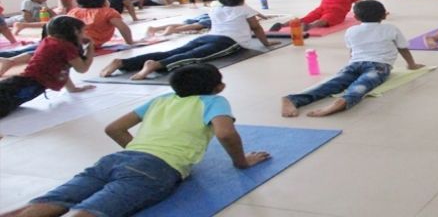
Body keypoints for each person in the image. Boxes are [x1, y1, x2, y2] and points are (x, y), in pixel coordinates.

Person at [4, 63, 270, 217]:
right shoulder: (214, 101)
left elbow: (114, 128)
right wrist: (242, 162)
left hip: (116, 159)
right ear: (218, 87)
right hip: (156, 169)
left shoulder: (162, 99)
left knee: (55, 200)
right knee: (90, 212)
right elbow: (225, 132)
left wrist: (136, 152)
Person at [281, 0, 423, 117]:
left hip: (354, 63)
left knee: (333, 83)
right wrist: (411, 64)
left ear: (355, 17)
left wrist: (351, 65)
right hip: (379, 66)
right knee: (363, 84)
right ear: (384, 15)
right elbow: (402, 48)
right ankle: (344, 100)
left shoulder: (351, 30)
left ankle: (293, 99)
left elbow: (352, 51)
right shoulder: (391, 28)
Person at [100, 0, 280, 80]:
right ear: (241, 0)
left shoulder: (215, 7)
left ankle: (122, 62)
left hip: (207, 36)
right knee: (192, 57)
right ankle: (156, 65)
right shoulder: (244, 9)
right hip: (229, 42)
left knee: (174, 51)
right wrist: (266, 44)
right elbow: (256, 28)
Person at [0, 16, 95, 118]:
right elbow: (82, 68)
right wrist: (90, 48)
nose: (85, 35)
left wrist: (72, 88)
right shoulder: (66, 47)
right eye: (83, 31)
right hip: (28, 84)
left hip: (24, 82)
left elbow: (61, 68)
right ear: (75, 32)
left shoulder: (50, 40)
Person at [68, 0, 135, 47]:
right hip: (91, 43)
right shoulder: (107, 12)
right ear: (104, 2)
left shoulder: (74, 11)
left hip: (71, 42)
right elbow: (123, 27)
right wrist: (130, 42)